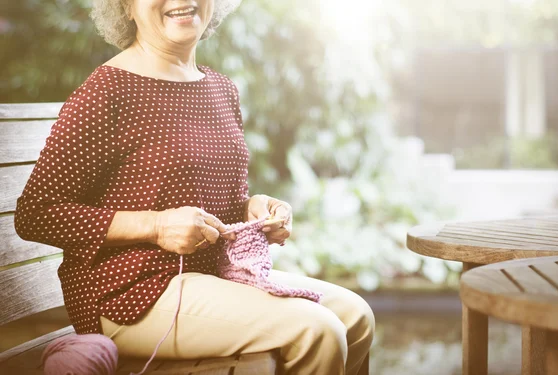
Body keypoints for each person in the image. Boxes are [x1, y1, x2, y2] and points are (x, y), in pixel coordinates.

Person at [14, 0, 375, 374]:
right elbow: (36, 215)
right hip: (131, 294)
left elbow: (223, 202)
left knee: (354, 315)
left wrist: (254, 208)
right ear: (125, 6)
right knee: (316, 331)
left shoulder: (220, 88)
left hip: (213, 275)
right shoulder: (108, 92)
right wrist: (155, 226)